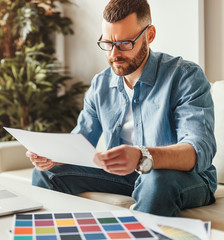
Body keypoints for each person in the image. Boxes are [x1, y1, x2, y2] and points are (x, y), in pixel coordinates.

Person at [26, 0, 217, 217]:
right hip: (125, 176)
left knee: (155, 179)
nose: (114, 54)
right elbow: (81, 142)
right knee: (47, 173)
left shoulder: (185, 76)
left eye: (125, 43)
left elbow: (198, 150)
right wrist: (55, 156)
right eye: (107, 43)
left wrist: (142, 155)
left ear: (150, 35)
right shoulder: (101, 84)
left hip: (183, 177)